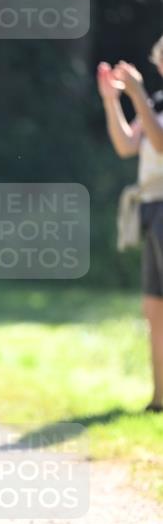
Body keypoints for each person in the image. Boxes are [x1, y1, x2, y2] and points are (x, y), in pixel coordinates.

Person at [97, 34, 163, 413]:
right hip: (152, 208)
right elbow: (127, 145)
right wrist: (112, 99)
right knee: (154, 309)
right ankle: (158, 399)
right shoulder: (155, 102)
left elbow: (160, 140)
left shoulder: (149, 101)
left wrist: (136, 93)